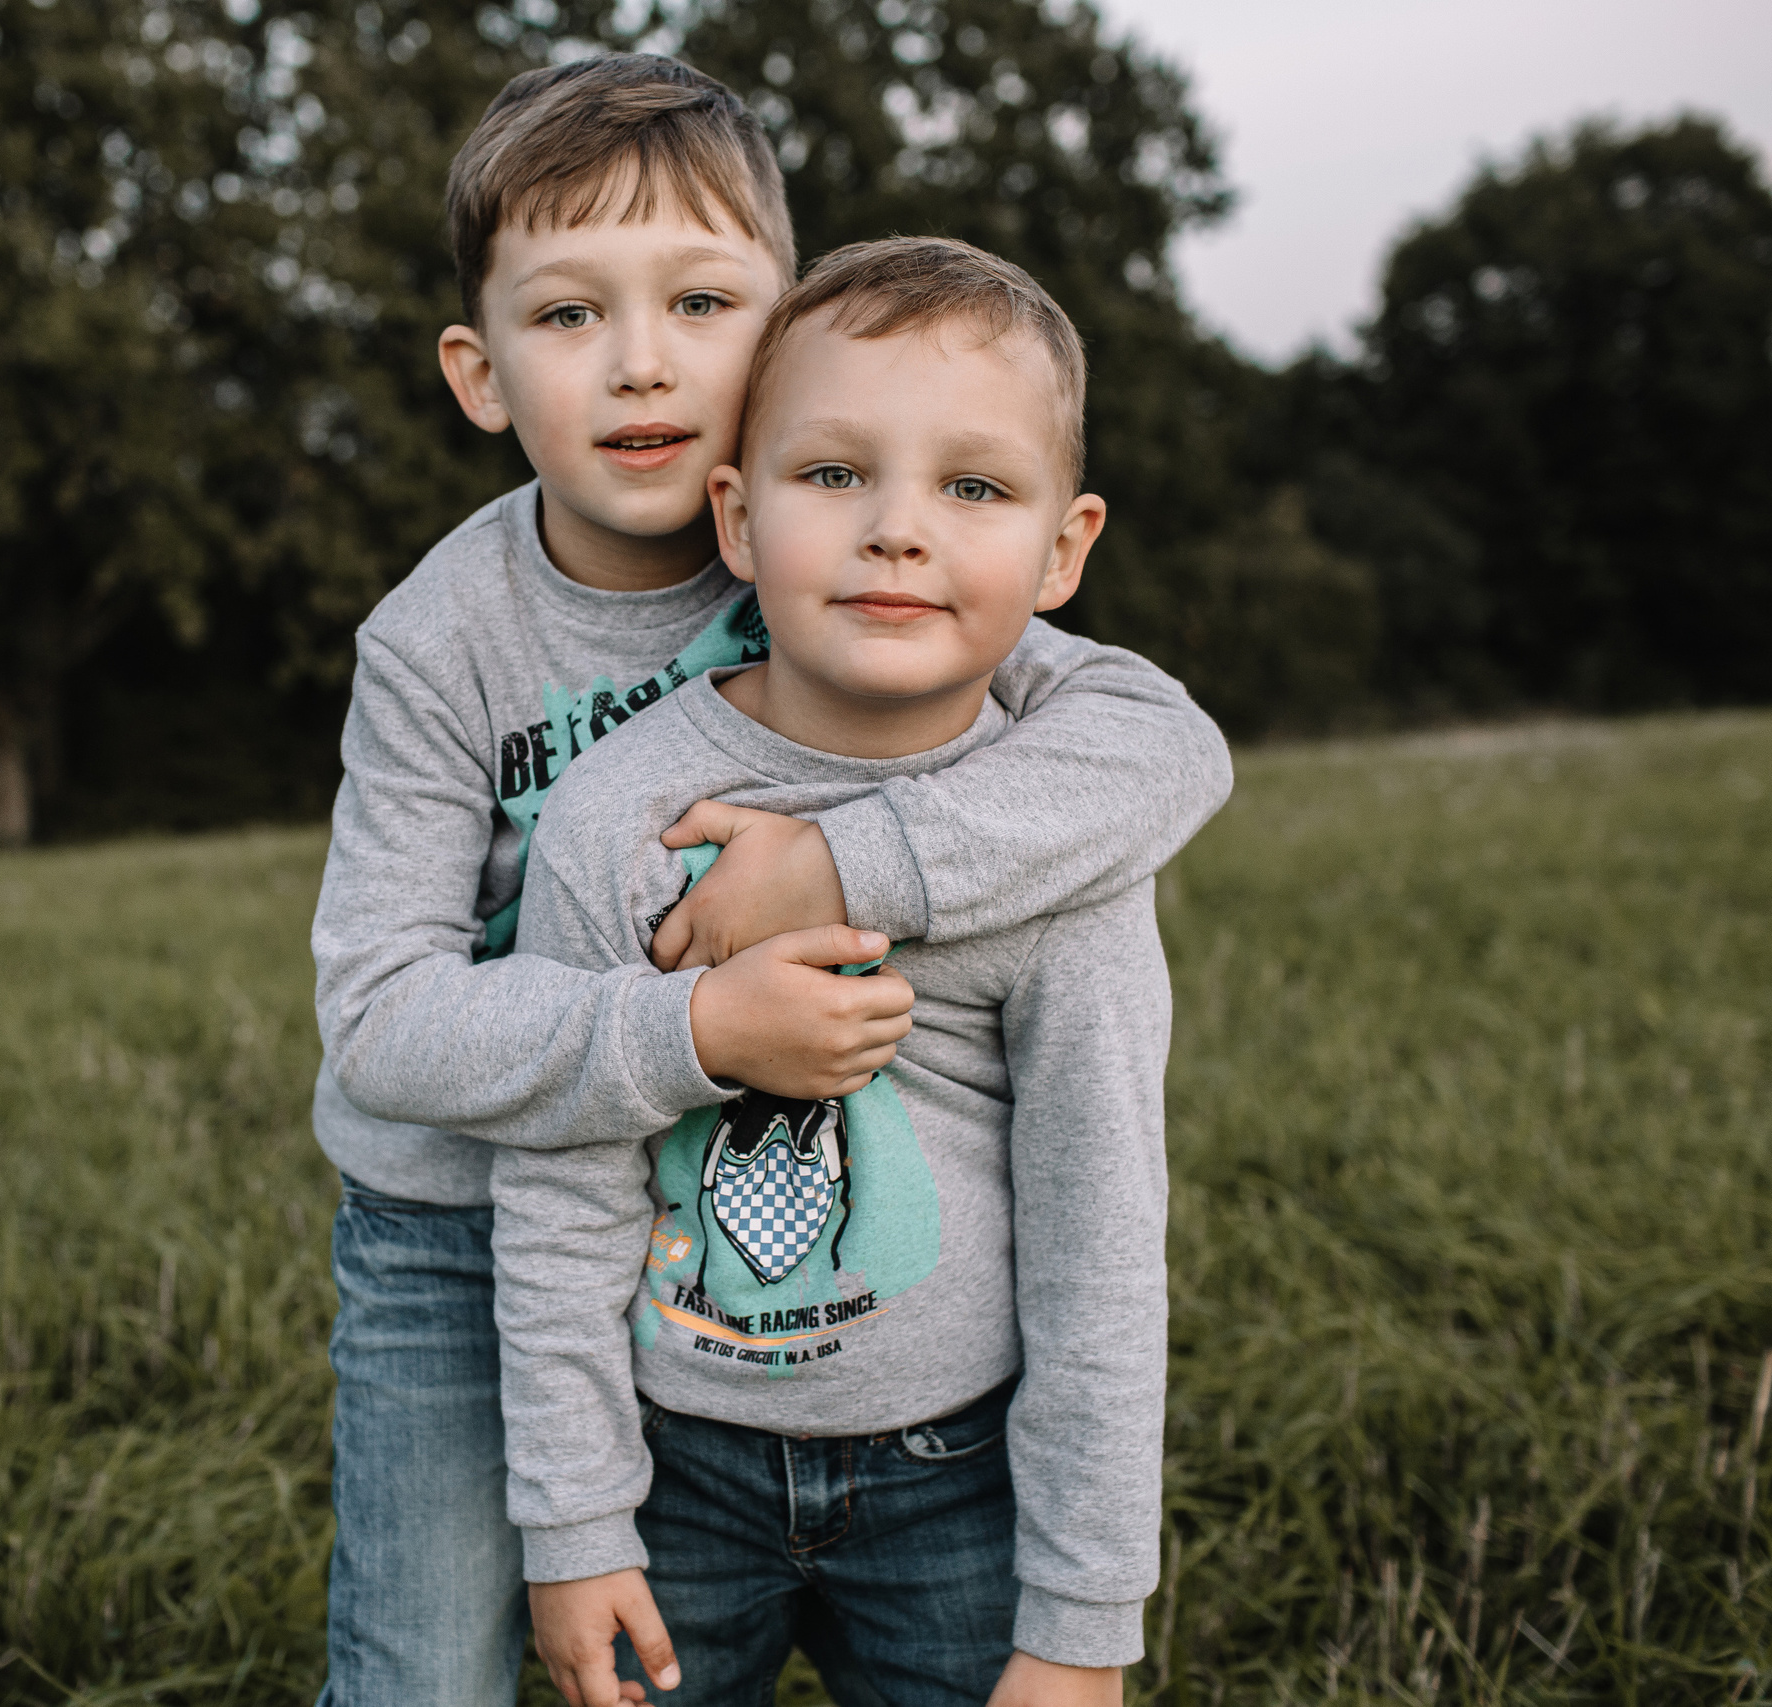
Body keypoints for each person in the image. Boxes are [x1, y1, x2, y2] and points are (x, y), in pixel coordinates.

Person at [309, 55, 1230, 1707]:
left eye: (704, 301)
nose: (644, 360)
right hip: (463, 1214)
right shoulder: (442, 642)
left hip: (764, 1277)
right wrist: (701, 1033)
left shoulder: (863, 563)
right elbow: (381, 1022)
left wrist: (830, 861)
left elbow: (1164, 752)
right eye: (572, 314)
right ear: (481, 370)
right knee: (426, 1674)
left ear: (786, 327)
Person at [491, 236, 1198, 1707]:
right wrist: (569, 1522)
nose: (898, 531)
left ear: (1065, 551)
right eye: (833, 477)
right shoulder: (622, 818)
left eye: (975, 488)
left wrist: (1079, 1629)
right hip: (668, 1465)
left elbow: (1102, 1254)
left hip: (962, 1477)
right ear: (736, 519)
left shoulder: (1063, 855)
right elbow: (559, 1182)